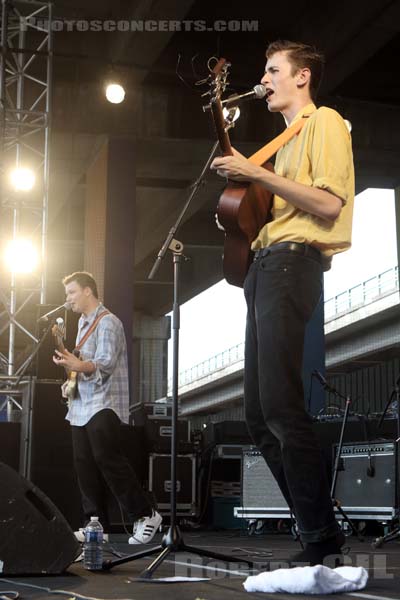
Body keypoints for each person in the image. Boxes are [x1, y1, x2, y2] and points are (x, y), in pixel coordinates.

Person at [211, 40, 354, 565]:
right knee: (256, 414)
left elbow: (328, 202)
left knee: (281, 406)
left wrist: (257, 175)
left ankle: (320, 540)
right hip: (264, 268)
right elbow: (271, 205)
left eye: (273, 71)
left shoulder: (326, 123)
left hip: (293, 264)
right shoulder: (284, 141)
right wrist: (246, 196)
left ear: (302, 78)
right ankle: (317, 531)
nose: (265, 79)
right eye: (264, 72)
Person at [53, 271, 162, 544]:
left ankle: (146, 514)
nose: (68, 299)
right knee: (84, 464)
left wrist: (77, 365)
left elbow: (105, 362)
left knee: (107, 458)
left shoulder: (108, 322)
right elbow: (82, 365)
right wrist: (70, 381)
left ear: (88, 291)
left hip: (104, 402)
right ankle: (95, 524)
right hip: (81, 405)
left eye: (72, 293)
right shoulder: (80, 323)